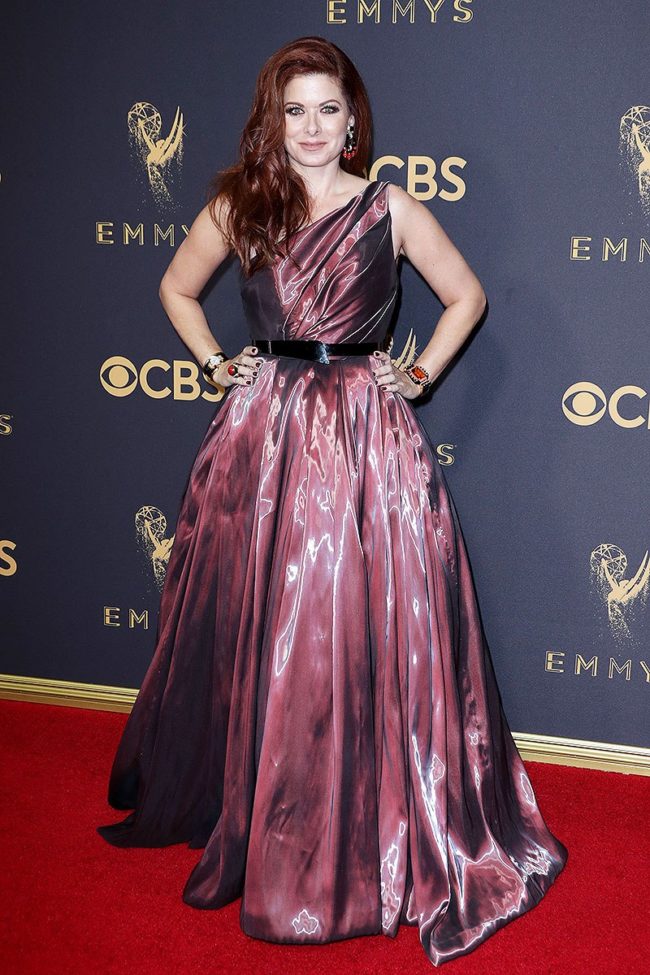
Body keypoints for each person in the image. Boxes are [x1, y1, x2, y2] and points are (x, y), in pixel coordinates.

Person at [98, 34, 568, 968]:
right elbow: (176, 287)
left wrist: (421, 372)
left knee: (353, 627)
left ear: (354, 123)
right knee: (268, 625)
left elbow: (466, 295)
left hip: (364, 433)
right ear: (274, 120)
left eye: (328, 110)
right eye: (295, 110)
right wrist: (213, 362)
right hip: (263, 433)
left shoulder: (390, 209)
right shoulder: (241, 202)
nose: (312, 127)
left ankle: (369, 818)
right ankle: (263, 808)